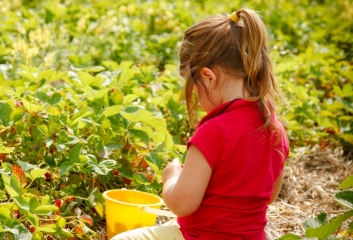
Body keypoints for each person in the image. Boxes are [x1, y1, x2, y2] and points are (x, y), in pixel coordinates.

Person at [111, 8, 289, 240]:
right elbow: (270, 196)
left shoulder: (214, 131)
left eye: (195, 89)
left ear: (209, 77)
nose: (197, 97)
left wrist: (171, 177)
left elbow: (182, 204)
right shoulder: (274, 127)